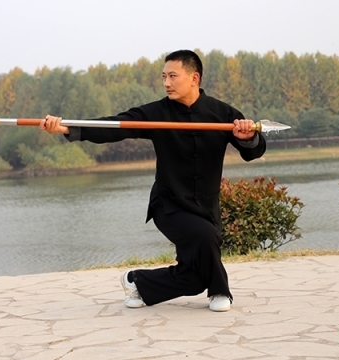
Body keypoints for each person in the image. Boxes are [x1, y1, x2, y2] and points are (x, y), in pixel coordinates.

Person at [39, 50, 266, 312]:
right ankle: (220, 291)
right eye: (164, 77)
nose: (166, 83)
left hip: (207, 207)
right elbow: (115, 126)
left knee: (193, 278)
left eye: (172, 76)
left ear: (194, 78)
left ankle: (137, 280)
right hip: (169, 205)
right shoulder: (157, 113)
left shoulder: (222, 113)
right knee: (206, 236)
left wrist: (247, 137)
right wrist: (67, 128)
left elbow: (254, 152)